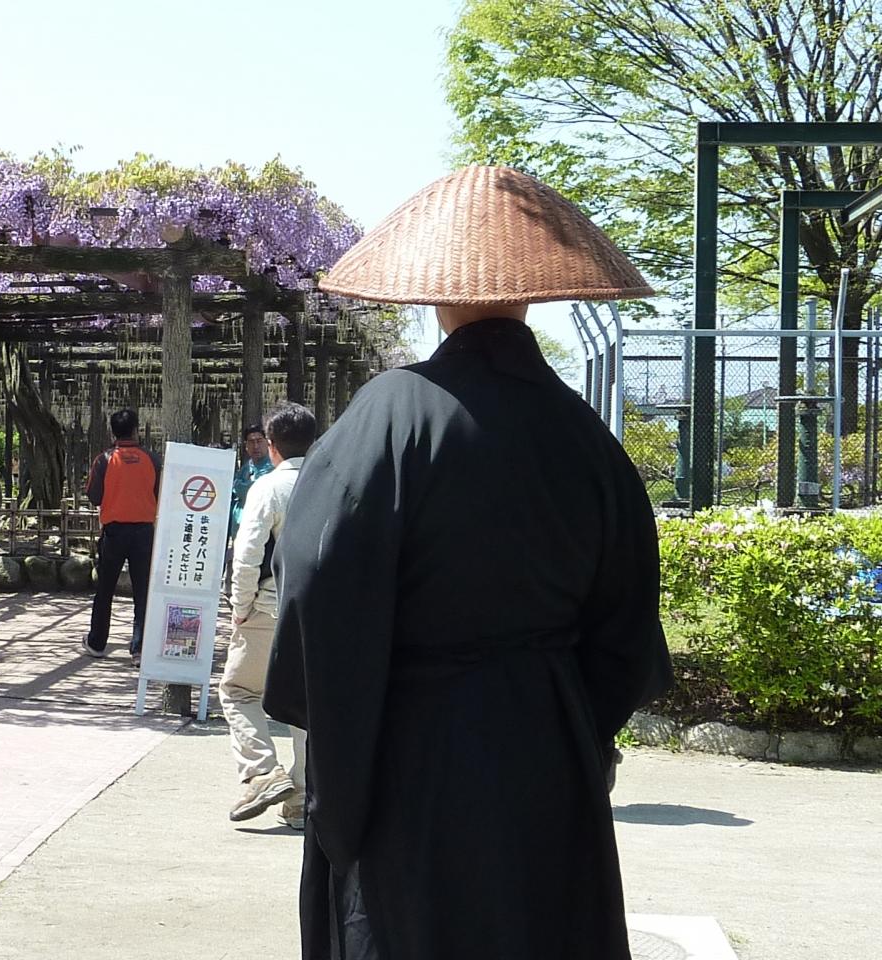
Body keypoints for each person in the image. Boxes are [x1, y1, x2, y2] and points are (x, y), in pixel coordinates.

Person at [263, 166, 674, 960]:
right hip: (546, 744)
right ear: (532, 298)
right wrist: (571, 726)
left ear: (433, 298)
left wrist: (341, 737)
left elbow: (317, 578)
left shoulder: (387, 415)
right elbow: (627, 628)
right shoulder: (585, 435)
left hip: (409, 746)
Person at [222, 402, 314, 829]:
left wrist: (240, 607)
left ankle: (262, 771)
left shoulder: (268, 487)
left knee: (238, 691)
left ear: (272, 446)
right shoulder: (334, 481)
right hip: (320, 613)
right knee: (305, 704)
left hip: (268, 607)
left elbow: (247, 554)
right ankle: (301, 797)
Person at [80, 408, 161, 664]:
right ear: (136, 430)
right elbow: (160, 492)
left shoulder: (104, 460)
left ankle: (97, 642)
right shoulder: (152, 459)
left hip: (114, 532)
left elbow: (94, 496)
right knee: (143, 590)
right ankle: (139, 648)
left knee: (105, 588)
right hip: (144, 532)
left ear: (112, 432)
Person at [229, 425, 274, 538]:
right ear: (246, 446)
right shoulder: (247, 466)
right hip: (239, 528)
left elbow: (252, 490)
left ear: (267, 443)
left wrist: (237, 485)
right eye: (251, 442)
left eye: (259, 441)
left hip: (259, 531)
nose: (255, 446)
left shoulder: (271, 466)